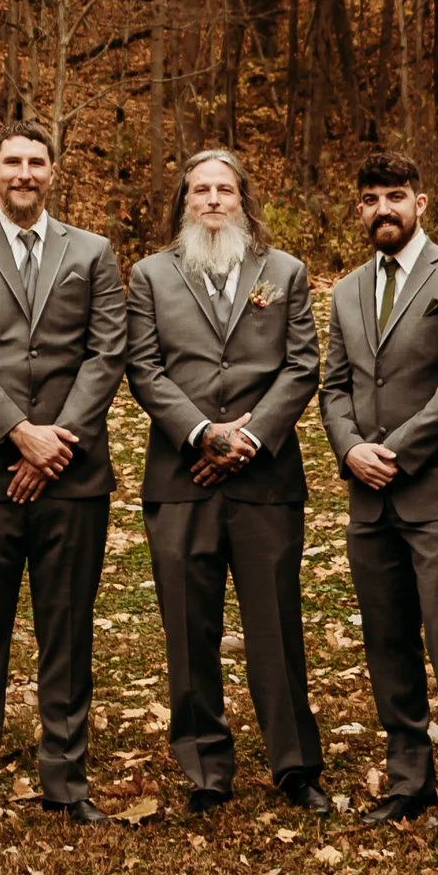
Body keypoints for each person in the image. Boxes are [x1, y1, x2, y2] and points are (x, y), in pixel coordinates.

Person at [0, 123, 128, 832]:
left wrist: (56, 443)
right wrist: (18, 434)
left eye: (36, 161)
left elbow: (107, 351)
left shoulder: (93, 252)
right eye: (12, 161)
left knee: (67, 632)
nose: (24, 172)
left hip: (72, 475)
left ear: (53, 172)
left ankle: (67, 783)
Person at [124, 144, 328, 819]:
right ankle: (206, 767)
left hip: (263, 476)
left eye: (224, 190)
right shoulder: (150, 275)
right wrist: (199, 435)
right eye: (199, 191)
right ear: (182, 204)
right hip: (180, 476)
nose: (212, 200)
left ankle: (296, 766)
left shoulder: (285, 272)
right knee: (188, 628)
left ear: (245, 201)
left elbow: (301, 366)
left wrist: (245, 437)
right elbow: (145, 370)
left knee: (274, 624)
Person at [319, 146, 438, 831]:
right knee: (386, 637)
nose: (382, 209)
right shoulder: (343, 290)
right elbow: (334, 386)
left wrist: (393, 452)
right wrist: (350, 450)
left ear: (420, 202)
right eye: (369, 199)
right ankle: (408, 779)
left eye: (394, 196)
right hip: (368, 494)